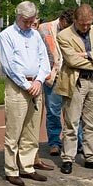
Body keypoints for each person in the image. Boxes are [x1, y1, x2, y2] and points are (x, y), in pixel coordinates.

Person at [55, 4, 93, 174]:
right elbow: (72, 61)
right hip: (76, 82)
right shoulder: (64, 35)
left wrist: (87, 55)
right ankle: (68, 158)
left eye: (89, 23)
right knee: (71, 123)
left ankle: (91, 157)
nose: (86, 27)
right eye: (83, 24)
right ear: (75, 20)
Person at [0, 1, 50, 186]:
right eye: (26, 21)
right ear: (18, 17)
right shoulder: (7, 35)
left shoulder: (36, 35)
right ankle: (11, 169)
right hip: (17, 86)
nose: (29, 24)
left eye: (32, 20)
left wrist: (39, 80)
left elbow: (45, 59)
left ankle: (27, 166)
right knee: (14, 129)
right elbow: (9, 65)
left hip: (35, 83)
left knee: (32, 128)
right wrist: (26, 84)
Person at [37, 9, 83, 165]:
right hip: (53, 76)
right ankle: (55, 143)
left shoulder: (77, 29)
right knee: (53, 111)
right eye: (66, 26)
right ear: (61, 21)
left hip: (71, 75)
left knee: (75, 111)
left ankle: (79, 142)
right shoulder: (44, 29)